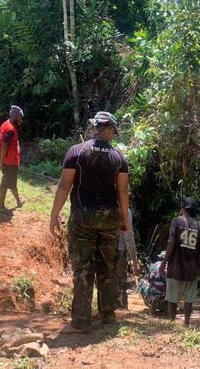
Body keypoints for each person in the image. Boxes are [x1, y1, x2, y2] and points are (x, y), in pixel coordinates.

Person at [50, 111, 129, 334]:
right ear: (110, 129)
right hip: (110, 217)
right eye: (113, 131)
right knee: (108, 267)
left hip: (83, 216)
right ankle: (108, 317)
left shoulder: (76, 152)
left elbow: (65, 186)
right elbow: (122, 191)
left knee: (83, 268)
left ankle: (82, 320)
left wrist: (54, 215)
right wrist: (124, 217)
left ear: (94, 127)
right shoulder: (119, 157)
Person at [159, 197, 200, 327]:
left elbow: (171, 242)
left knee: (172, 298)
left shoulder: (177, 221)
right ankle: (187, 324)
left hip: (176, 267)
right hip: (192, 268)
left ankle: (172, 323)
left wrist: (164, 262)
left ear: (183, 209)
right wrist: (198, 267)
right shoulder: (198, 225)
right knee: (189, 299)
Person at [0, 106, 24, 211]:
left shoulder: (5, 124)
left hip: (10, 161)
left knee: (12, 183)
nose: (21, 120)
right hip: (10, 161)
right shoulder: (10, 129)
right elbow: (4, 146)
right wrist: (2, 160)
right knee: (5, 184)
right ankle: (1, 206)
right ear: (15, 116)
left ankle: (18, 202)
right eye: (20, 117)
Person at [117, 194, 140, 309]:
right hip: (118, 253)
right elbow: (128, 238)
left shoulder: (105, 210)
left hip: (102, 252)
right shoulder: (126, 212)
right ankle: (121, 309)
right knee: (120, 283)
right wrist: (135, 262)